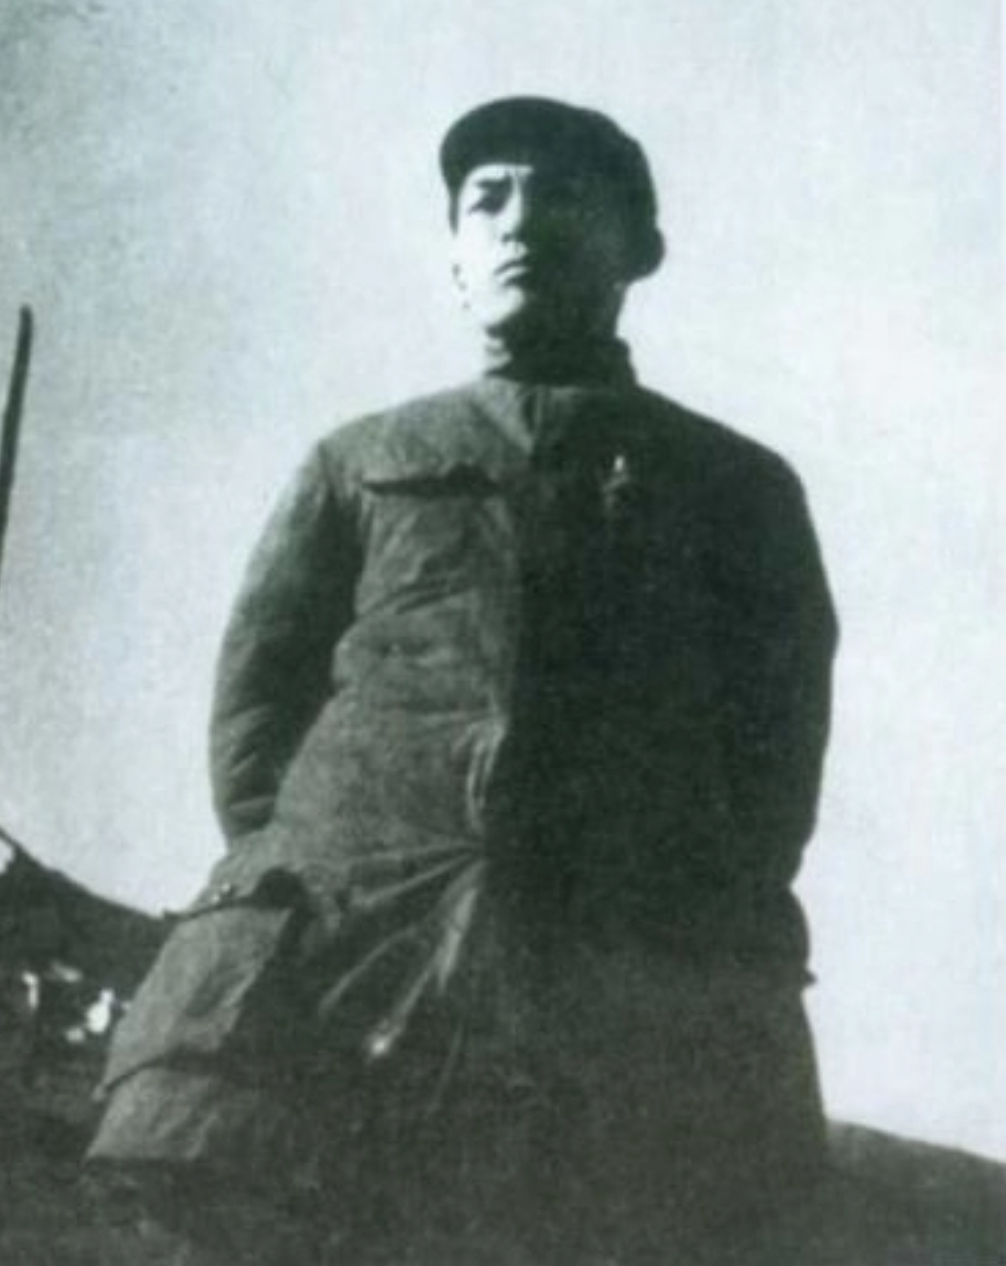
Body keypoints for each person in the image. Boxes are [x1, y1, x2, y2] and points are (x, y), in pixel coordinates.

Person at [87, 97, 838, 1264]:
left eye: (562, 194)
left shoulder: (735, 484)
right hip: (343, 979)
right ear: (453, 256)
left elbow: (775, 749)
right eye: (487, 200)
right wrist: (354, 862)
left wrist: (662, 891)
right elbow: (255, 721)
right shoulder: (358, 460)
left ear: (640, 248)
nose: (519, 221)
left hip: (627, 983)